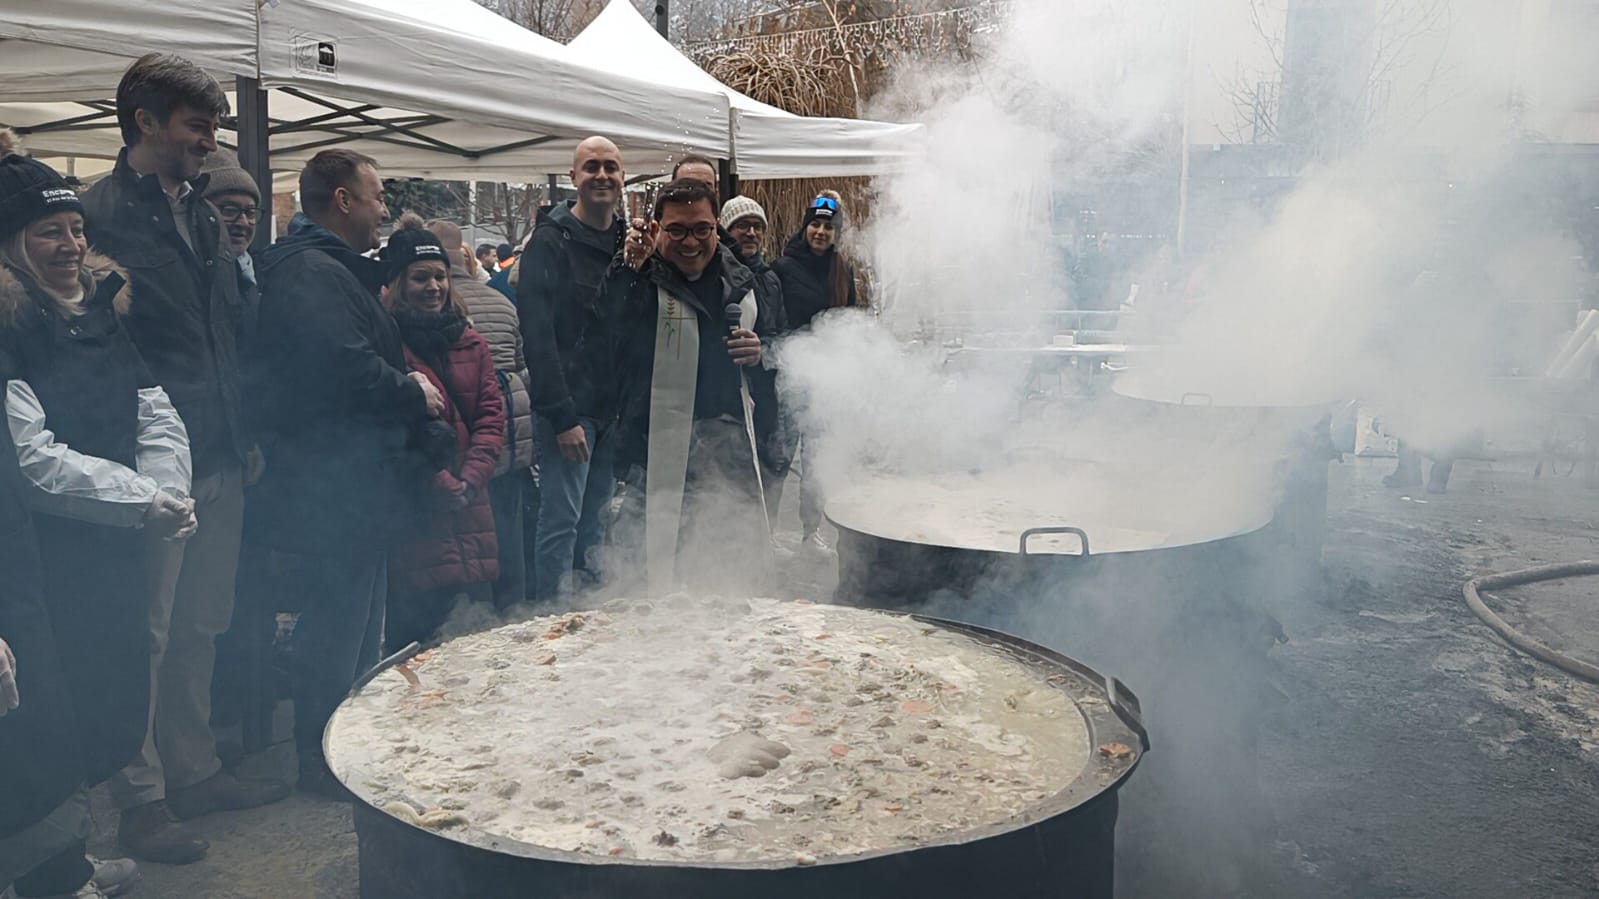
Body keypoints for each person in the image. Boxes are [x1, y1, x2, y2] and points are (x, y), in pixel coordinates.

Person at [79, 53, 287, 865]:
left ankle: (194, 770)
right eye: (198, 126)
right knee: (150, 633)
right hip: (146, 462)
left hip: (222, 450)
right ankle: (141, 800)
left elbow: (225, 335)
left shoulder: (203, 215)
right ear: (146, 123)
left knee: (204, 622)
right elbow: (98, 346)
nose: (210, 142)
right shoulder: (95, 215)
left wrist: (246, 435)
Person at [0, 135, 190, 894]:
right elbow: (30, 457)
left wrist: (165, 491)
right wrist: (142, 498)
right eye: (50, 232)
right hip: (45, 559)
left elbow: (155, 410)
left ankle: (68, 857)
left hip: (114, 542)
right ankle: (50, 874)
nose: (71, 244)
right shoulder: (12, 326)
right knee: (49, 718)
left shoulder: (102, 306)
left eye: (75, 228)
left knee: (100, 703)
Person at [249, 149, 444, 799]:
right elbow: (339, 368)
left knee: (360, 623)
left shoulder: (327, 270)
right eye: (376, 195)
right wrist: (410, 389)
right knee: (337, 625)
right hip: (332, 487)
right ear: (341, 200)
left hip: (354, 481)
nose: (384, 207)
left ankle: (348, 743)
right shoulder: (310, 274)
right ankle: (324, 756)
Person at [596, 179, 772, 595]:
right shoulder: (636, 277)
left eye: (701, 229)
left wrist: (763, 353)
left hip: (724, 457)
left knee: (726, 581)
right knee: (645, 583)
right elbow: (602, 338)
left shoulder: (744, 283)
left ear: (716, 228)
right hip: (649, 455)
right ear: (657, 229)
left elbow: (782, 354)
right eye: (676, 230)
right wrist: (625, 270)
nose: (690, 242)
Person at [379, 219, 504, 650]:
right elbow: (392, 432)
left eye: (439, 276)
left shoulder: (472, 343)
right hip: (418, 513)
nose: (433, 286)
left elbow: (491, 416)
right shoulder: (385, 347)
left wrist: (471, 478)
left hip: (472, 503)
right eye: (420, 277)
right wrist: (440, 483)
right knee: (420, 644)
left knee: (476, 642)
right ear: (396, 283)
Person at [516, 136, 627, 599]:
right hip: (569, 410)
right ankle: (550, 618)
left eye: (611, 167)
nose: (602, 175)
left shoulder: (629, 240)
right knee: (562, 521)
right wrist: (562, 417)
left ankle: (591, 610)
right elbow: (537, 339)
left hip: (611, 408)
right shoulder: (549, 241)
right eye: (591, 167)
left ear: (623, 178)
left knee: (598, 519)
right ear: (573, 178)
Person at [431, 218, 534, 609]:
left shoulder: (432, 305)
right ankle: (515, 615)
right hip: (509, 439)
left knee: (467, 541)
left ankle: (473, 617)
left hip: (461, 449)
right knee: (508, 537)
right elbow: (523, 366)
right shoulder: (500, 298)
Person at [771, 191, 861, 555]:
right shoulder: (783, 268)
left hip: (826, 380)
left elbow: (849, 319)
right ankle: (769, 532)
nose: (820, 231)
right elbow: (773, 320)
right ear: (805, 227)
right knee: (778, 457)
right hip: (790, 376)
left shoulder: (842, 270)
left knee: (817, 463)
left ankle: (811, 532)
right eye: (815, 224)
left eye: (828, 226)